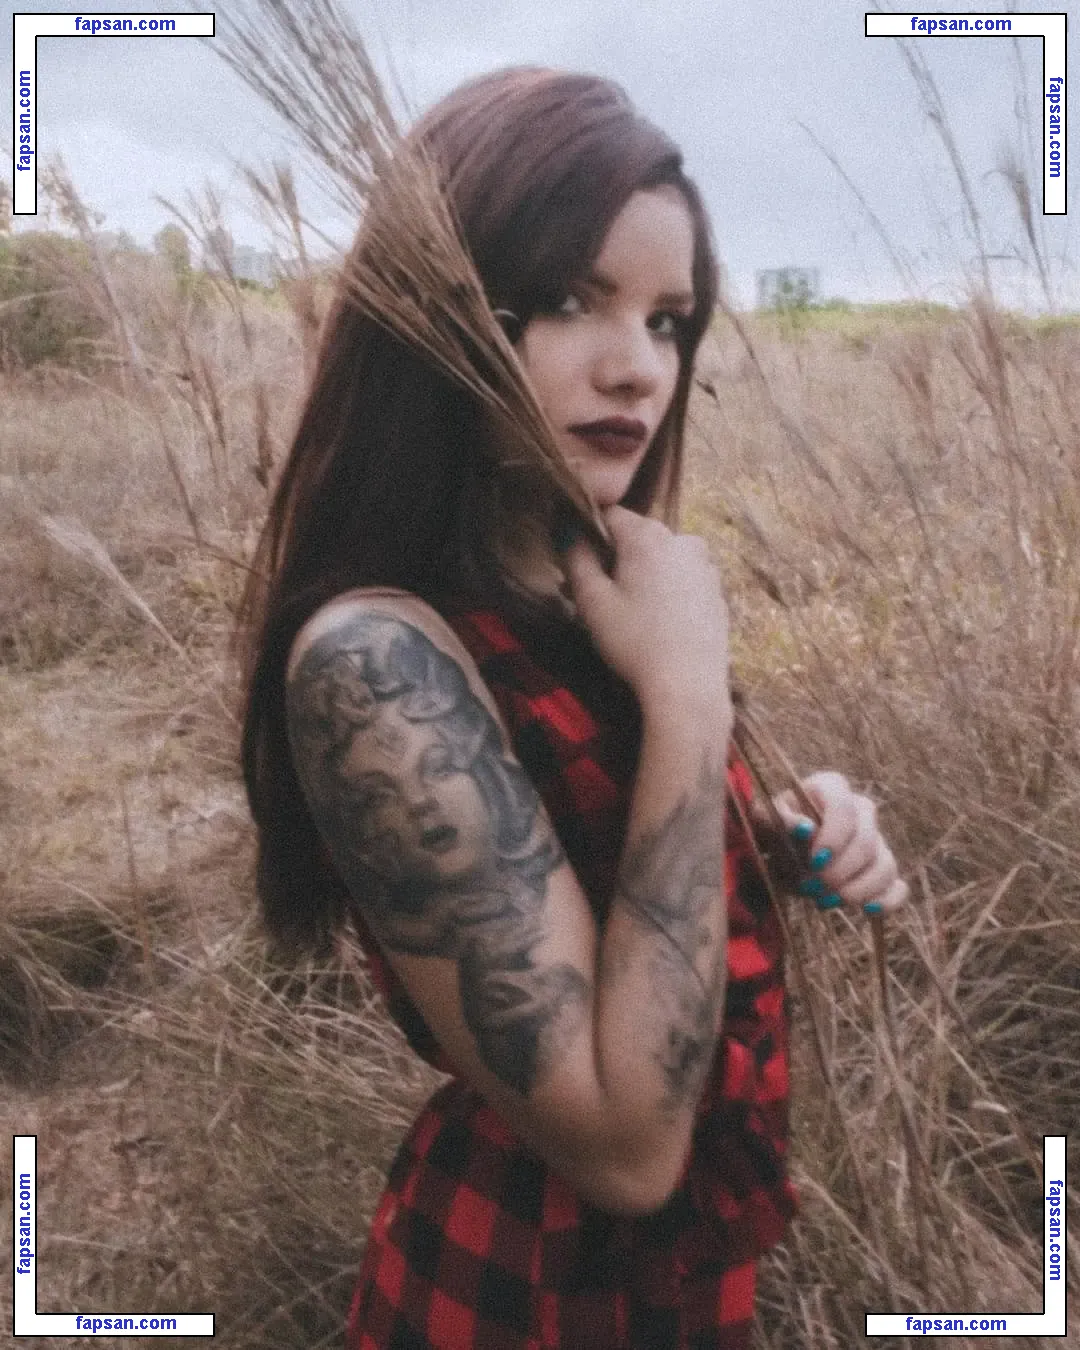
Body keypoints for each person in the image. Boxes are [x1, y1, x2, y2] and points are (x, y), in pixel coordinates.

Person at [238, 66, 908, 1349]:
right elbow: (625, 1148)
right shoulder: (377, 663)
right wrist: (690, 700)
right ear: (437, 311)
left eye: (669, 320)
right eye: (566, 300)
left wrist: (782, 836)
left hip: (680, 1289)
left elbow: (603, 866)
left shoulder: (583, 582)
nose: (637, 369)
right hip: (524, 1288)